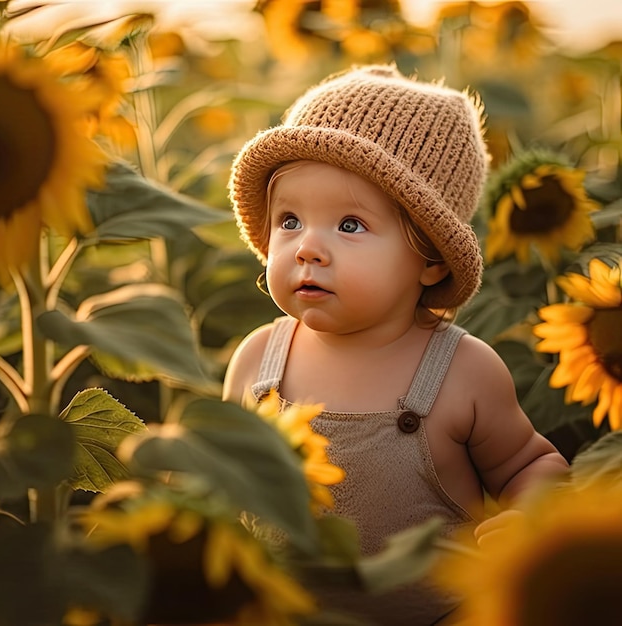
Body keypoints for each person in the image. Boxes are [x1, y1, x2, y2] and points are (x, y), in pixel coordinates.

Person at [223, 65, 569, 625]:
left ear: (430, 259)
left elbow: (530, 462)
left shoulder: (462, 371)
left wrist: (532, 514)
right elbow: (227, 484)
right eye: (289, 219)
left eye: (350, 225)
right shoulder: (257, 360)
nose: (308, 247)